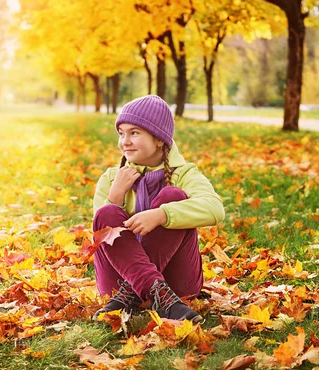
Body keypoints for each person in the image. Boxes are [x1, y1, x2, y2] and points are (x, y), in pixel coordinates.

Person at [92, 95, 225, 323]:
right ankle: (161, 298)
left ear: (160, 139)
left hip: (177, 281)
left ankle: (140, 294)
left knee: (172, 196)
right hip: (118, 279)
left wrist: (163, 215)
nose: (125, 141)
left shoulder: (183, 174)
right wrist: (116, 195)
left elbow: (215, 209)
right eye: (121, 133)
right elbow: (99, 234)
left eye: (134, 133)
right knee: (106, 213)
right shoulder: (112, 178)